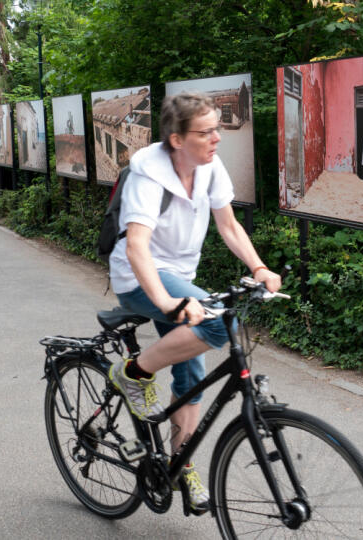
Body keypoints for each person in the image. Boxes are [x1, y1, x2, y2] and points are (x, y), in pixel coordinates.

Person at [107, 92, 282, 512]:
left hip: (178, 279)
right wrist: (168, 303)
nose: (216, 138)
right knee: (220, 323)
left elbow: (229, 225)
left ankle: (179, 462)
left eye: (217, 129)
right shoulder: (148, 175)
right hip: (139, 276)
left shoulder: (208, 167)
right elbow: (137, 248)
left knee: (192, 375)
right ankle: (132, 372)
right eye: (205, 132)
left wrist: (258, 268)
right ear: (176, 139)